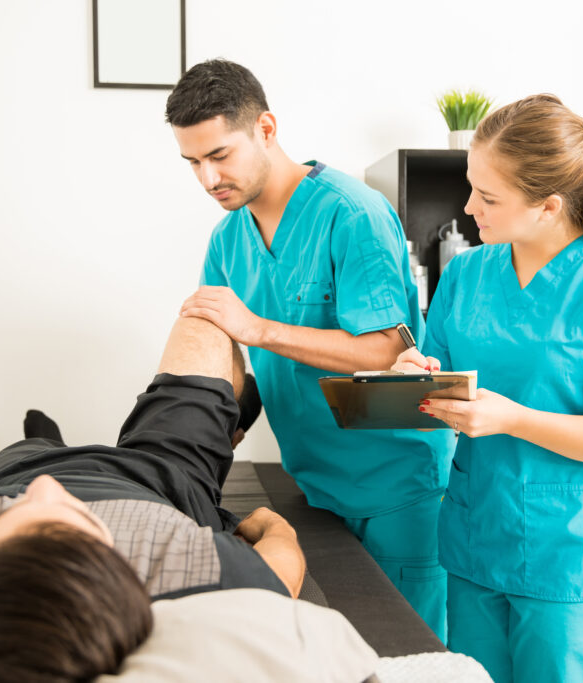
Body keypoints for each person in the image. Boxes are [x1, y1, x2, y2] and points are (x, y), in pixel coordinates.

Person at [0, 316, 306, 683]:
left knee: (25, 453)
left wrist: (13, 489)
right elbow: (285, 559)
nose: (47, 491)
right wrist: (264, 521)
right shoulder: (194, 571)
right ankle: (225, 424)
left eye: (9, 519)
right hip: (160, 475)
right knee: (205, 322)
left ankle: (44, 444)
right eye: (72, 518)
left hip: (11, 473)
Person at [392, 94, 583, 682]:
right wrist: (414, 374)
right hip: (476, 541)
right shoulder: (468, 273)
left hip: (569, 559)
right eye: (470, 185)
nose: (468, 206)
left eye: (488, 196)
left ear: (548, 205)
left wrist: (514, 419)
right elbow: (446, 381)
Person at [165, 59, 456, 639]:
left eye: (218, 156)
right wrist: (216, 427)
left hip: (396, 485)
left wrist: (260, 328)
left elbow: (383, 350)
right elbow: (244, 363)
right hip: (315, 485)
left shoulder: (351, 214)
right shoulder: (227, 239)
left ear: (266, 129)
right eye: (192, 162)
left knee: (408, 656)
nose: (206, 178)